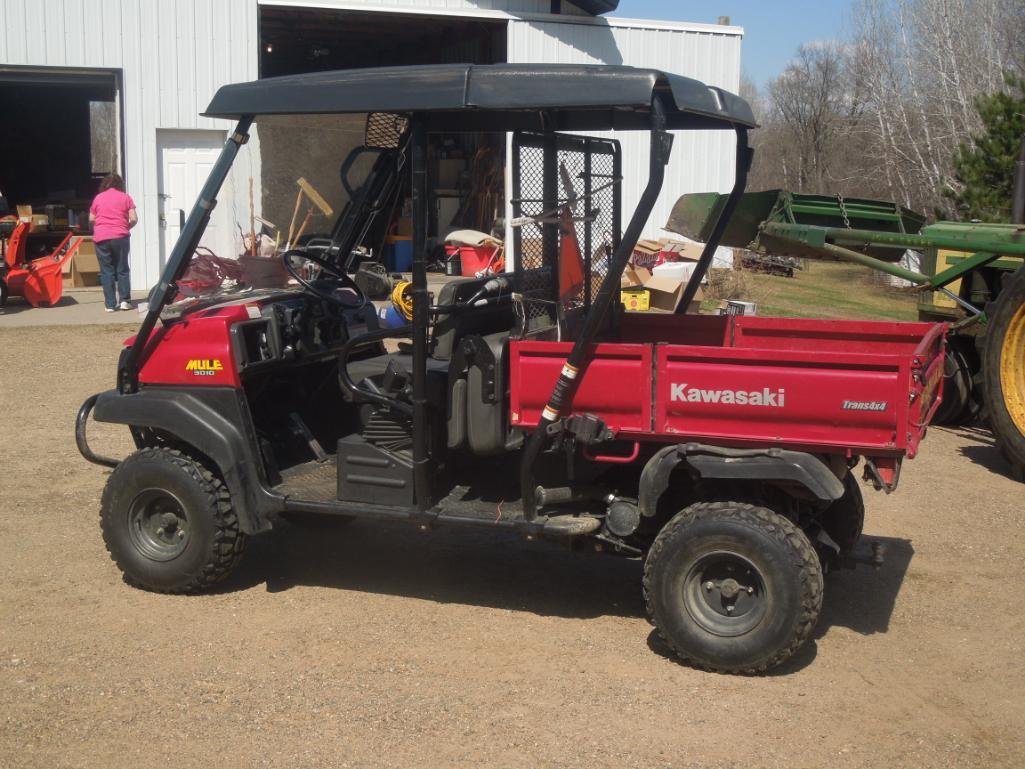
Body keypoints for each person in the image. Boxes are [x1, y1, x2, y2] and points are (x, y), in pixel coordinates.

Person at [89, 174, 137, 312]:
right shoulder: (125, 197)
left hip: (101, 237)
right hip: (120, 236)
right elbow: (133, 218)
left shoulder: (98, 198)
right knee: (122, 269)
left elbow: (92, 218)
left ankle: (110, 305)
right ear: (120, 184)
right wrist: (125, 227)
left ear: (104, 185)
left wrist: (101, 228)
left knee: (106, 271)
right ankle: (124, 301)